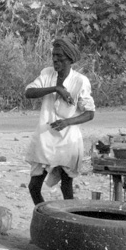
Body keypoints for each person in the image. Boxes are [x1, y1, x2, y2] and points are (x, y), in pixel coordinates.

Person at [24, 37, 95, 205]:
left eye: (60, 56)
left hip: (67, 140)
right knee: (34, 186)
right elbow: (29, 92)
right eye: (54, 55)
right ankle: (44, 214)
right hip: (44, 139)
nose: (55, 60)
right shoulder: (47, 73)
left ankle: (69, 219)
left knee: (66, 187)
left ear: (69, 59)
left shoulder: (80, 81)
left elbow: (90, 113)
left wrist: (67, 122)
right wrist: (56, 89)